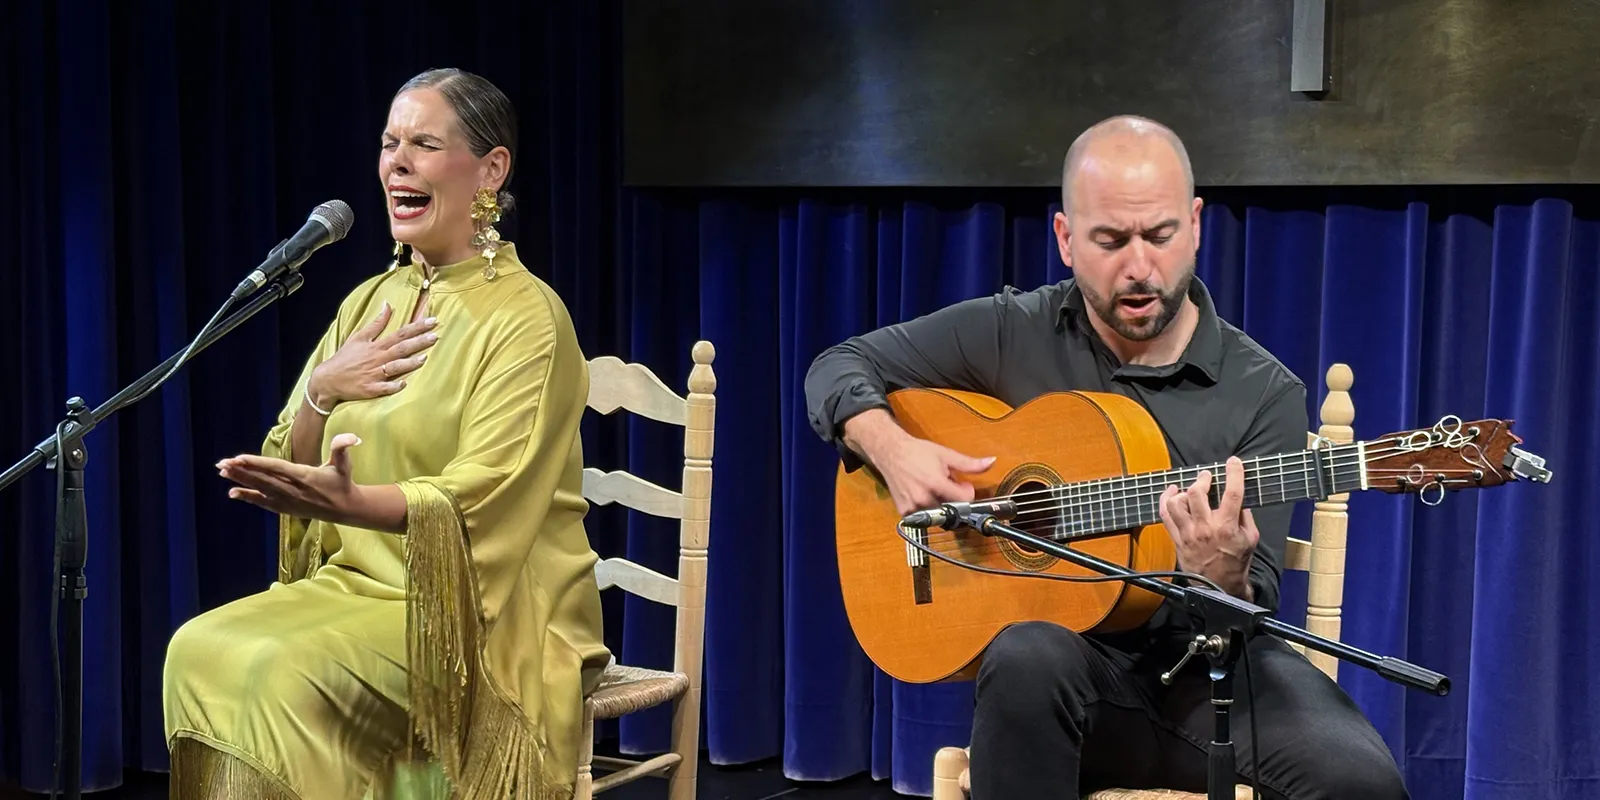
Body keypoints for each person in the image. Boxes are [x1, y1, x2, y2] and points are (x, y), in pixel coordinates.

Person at [804, 115, 1407, 799]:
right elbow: (837, 366)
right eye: (1111, 241)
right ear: (1065, 239)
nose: (1140, 266)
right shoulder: (1014, 331)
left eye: (1160, 235)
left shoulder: (1262, 392)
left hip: (1204, 676)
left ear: (1196, 225)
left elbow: (1248, 604)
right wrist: (893, 448)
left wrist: (1223, 580)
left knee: (1364, 783)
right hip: (1059, 686)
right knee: (1027, 654)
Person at [162, 68, 610, 800]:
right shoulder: (372, 300)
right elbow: (288, 457)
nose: (396, 163)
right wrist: (318, 392)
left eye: (424, 144)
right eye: (388, 143)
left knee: (272, 669)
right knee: (198, 648)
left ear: (491, 169)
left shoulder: (529, 317)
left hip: (485, 618)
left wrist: (353, 503)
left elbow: (484, 493)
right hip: (353, 588)